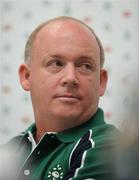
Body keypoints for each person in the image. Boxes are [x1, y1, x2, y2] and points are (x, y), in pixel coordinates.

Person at [0, 16, 120, 180]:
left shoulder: (113, 150)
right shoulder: (9, 151)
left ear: (101, 82)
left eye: (85, 66)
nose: (70, 78)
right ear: (27, 77)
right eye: (55, 63)